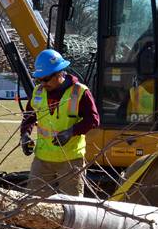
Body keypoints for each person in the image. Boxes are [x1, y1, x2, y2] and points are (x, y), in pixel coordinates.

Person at [19, 49, 100, 197]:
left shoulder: (80, 92)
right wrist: (25, 135)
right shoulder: (38, 92)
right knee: (33, 204)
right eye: (39, 79)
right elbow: (29, 116)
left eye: (46, 79)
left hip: (70, 160)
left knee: (72, 206)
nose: (42, 84)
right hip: (42, 159)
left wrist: (71, 132)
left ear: (60, 73)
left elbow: (93, 119)